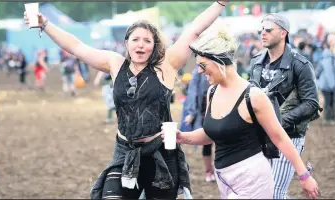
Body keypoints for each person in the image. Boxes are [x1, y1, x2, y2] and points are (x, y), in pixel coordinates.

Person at [24, 1, 229, 199]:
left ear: (154, 46)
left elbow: (193, 31)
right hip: (125, 151)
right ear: (126, 43)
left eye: (147, 41)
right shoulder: (115, 64)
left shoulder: (166, 64)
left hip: (161, 152)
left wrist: (220, 3)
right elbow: (76, 46)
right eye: (135, 39)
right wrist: (45, 24)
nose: (141, 45)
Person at [163, 25, 319, 199]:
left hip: (252, 179)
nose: (199, 71)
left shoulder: (253, 96)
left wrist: (304, 176)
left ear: (219, 61)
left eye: (203, 65)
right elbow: (213, 132)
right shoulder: (212, 92)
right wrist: (183, 137)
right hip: (224, 179)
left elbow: (280, 137)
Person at [249, 13, 320, 199]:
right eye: (261, 30)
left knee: (274, 193)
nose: (263, 33)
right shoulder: (256, 62)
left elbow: (312, 103)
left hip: (290, 136)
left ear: (283, 33)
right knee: (262, 192)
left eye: (268, 30)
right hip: (259, 135)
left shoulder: (300, 64)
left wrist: (277, 121)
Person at [182, 67, 215, 182]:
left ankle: (218, 171)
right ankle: (209, 171)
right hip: (205, 112)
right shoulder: (197, 73)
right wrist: (191, 112)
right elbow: (193, 92)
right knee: (207, 143)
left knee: (222, 144)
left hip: (220, 109)